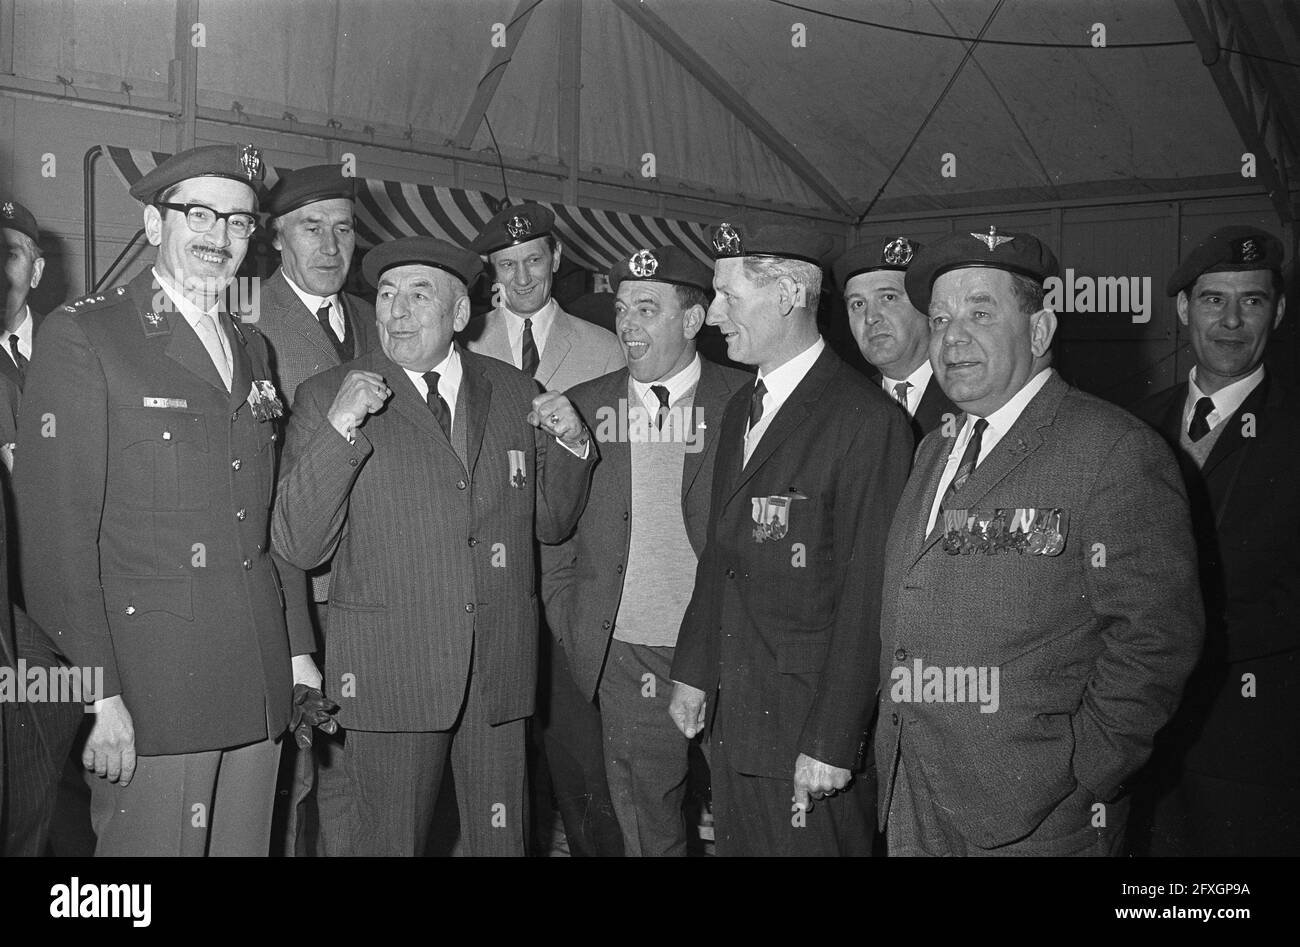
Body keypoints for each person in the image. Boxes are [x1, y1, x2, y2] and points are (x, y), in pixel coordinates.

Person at [13, 144, 322, 856]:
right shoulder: (89, 334)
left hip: (258, 672)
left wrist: (299, 650)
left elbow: (266, 515)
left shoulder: (252, 345)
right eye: (199, 214)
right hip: (150, 687)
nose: (219, 236)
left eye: (239, 222)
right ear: (154, 224)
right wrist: (96, 696)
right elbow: (56, 538)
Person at [873, 226, 1204, 856]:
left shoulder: (1113, 450)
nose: (952, 336)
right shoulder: (934, 448)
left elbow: (1157, 636)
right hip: (914, 789)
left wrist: (1083, 773)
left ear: (1041, 331)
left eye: (980, 312)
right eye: (940, 318)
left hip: (1038, 815)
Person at [271, 236, 597, 856]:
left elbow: (551, 523)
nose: (396, 310)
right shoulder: (329, 395)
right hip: (388, 676)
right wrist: (341, 429)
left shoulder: (514, 391)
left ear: (459, 315)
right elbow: (299, 543)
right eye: (388, 294)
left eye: (419, 295)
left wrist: (576, 445)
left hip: (496, 674)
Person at [668, 216, 911, 856]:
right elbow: (719, 558)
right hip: (737, 719)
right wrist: (693, 671)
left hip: (808, 733)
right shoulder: (738, 410)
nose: (715, 315)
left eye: (728, 297)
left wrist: (832, 741)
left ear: (788, 297)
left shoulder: (866, 422)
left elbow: (869, 599)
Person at [542, 246, 748, 856]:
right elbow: (551, 528)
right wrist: (572, 615)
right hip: (627, 655)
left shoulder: (747, 401)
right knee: (644, 826)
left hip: (726, 652)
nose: (627, 325)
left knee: (748, 818)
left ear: (692, 320)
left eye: (647, 309)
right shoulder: (585, 403)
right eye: (622, 308)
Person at [1131, 225, 1298, 856]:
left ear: (1277, 313)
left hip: (1253, 747)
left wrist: (1193, 637)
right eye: (1212, 300)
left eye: (1251, 301)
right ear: (1182, 310)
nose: (1231, 321)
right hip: (1142, 736)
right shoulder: (1135, 425)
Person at [465, 201, 624, 855]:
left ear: (558, 259)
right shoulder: (463, 341)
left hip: (573, 581)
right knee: (500, 767)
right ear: (490, 271)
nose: (523, 275)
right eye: (508, 264)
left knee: (582, 761)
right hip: (486, 581)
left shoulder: (606, 347)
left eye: (534, 260)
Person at [254, 162, 380, 855]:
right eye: (311, 228)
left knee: (358, 773)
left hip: (374, 587)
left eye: (343, 228)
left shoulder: (377, 317)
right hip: (291, 588)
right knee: (289, 776)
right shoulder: (248, 324)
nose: (330, 246)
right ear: (277, 239)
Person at [833, 235, 956, 440]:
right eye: (858, 304)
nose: (871, 317)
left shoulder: (969, 394)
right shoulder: (844, 405)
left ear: (929, 308)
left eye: (888, 297)